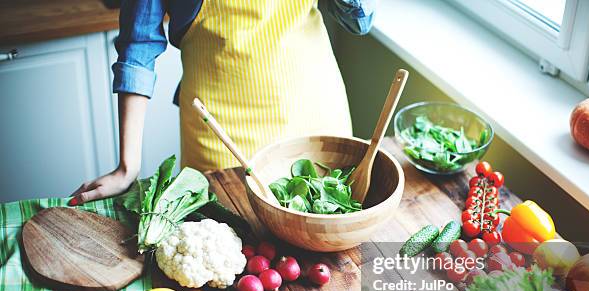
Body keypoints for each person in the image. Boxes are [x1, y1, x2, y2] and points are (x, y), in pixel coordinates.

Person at [70, 0, 375, 205]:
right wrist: (128, 166)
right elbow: (138, 48)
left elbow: (361, 23)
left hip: (316, 111)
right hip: (220, 133)